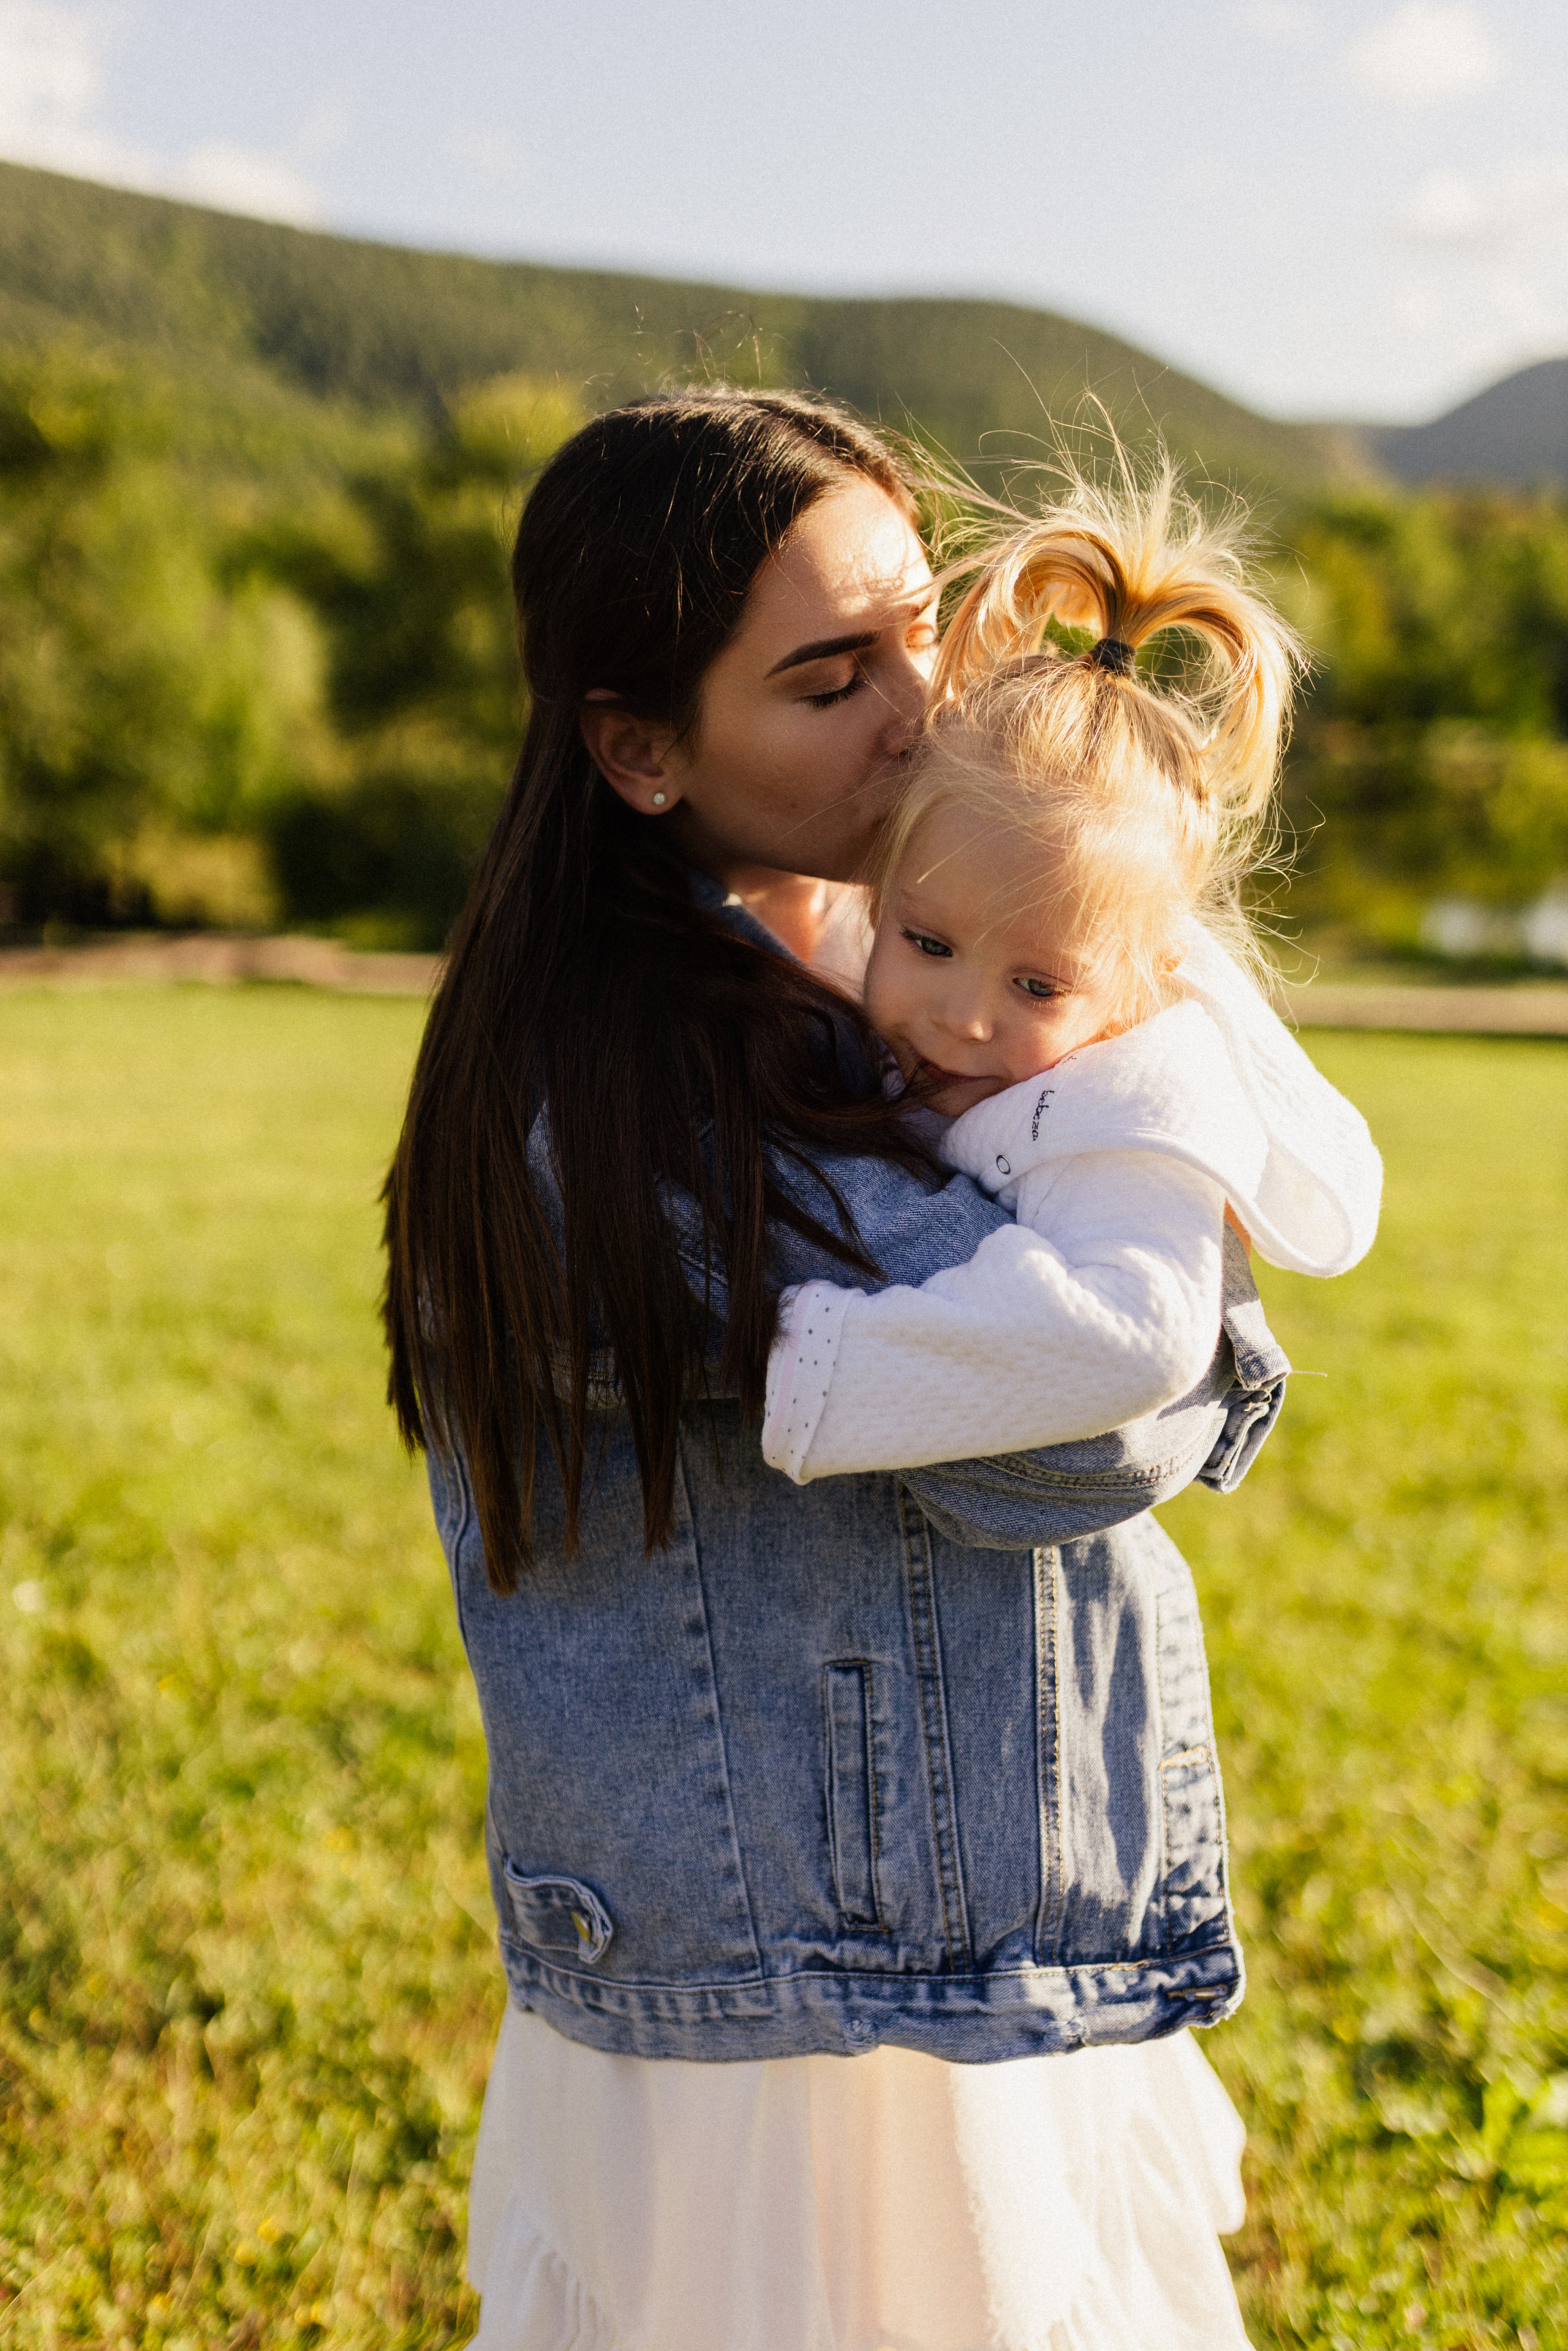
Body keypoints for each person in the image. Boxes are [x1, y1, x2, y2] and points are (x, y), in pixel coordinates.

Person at [382, 387, 1292, 2351]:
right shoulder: (658, 1076)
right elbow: (1069, 1443)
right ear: (640, 748)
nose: (918, 707)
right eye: (828, 677)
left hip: (886, 1905)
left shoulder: (900, 974)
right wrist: (1172, 1254)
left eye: (917, 631)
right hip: (813, 1971)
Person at [763, 470, 1381, 1488]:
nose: (963, 1019)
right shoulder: (849, 952)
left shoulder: (1124, 1116)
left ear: (1138, 991)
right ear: (882, 898)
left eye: (1038, 989)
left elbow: (1141, 1333)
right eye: (928, 944)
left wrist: (802, 1363)